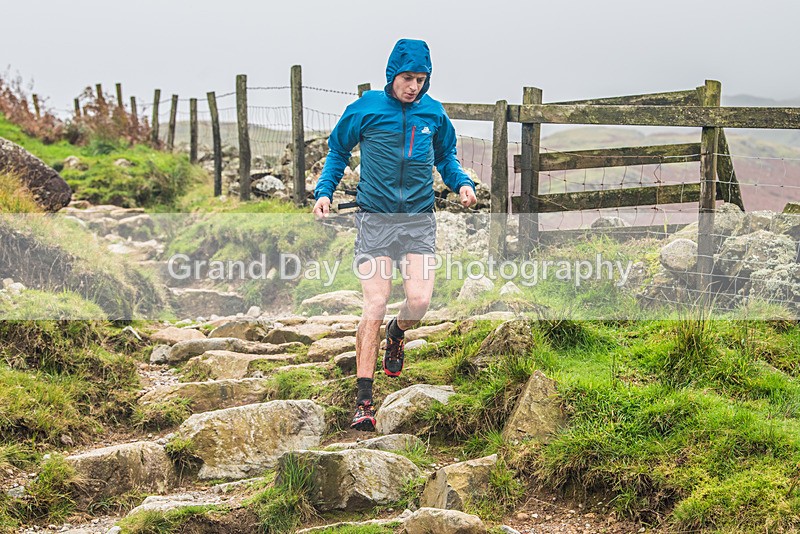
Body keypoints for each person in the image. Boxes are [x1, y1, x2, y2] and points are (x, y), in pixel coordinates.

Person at [312, 38, 477, 431]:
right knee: (376, 301)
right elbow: (337, 152)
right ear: (392, 75)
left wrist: (462, 184)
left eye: (421, 79)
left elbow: (446, 156)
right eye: (407, 78)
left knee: (418, 303)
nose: (414, 86)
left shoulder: (434, 114)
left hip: (418, 220)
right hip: (375, 221)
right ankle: (364, 401)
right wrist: (324, 192)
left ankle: (397, 331)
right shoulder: (366, 108)